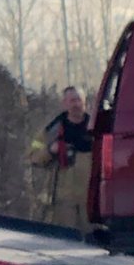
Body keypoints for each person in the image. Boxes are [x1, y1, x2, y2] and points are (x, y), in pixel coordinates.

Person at [28, 85, 93, 238]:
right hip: (63, 198)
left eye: (79, 100)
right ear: (64, 103)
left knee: (94, 243)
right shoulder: (52, 130)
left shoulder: (96, 127)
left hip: (90, 197)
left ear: (85, 102)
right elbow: (33, 156)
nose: (76, 104)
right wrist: (51, 150)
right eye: (72, 101)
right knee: (65, 240)